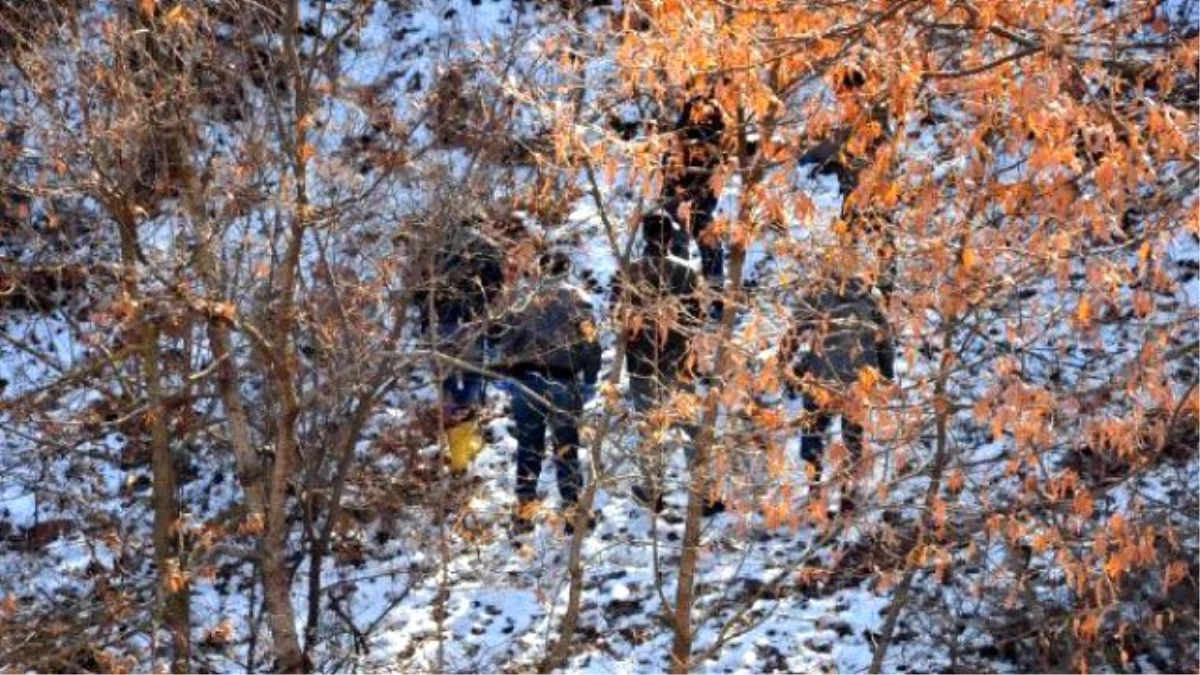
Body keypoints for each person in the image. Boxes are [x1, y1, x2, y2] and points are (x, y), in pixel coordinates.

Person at [616, 212, 724, 516]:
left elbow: (617, 316)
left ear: (645, 237)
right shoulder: (687, 273)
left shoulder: (631, 271)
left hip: (642, 363)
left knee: (650, 427)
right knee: (690, 426)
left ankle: (652, 490)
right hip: (678, 361)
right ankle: (704, 492)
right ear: (670, 238)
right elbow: (699, 315)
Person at [494, 251, 602, 534]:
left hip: (526, 381)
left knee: (528, 447)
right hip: (565, 382)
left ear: (540, 271)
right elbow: (591, 343)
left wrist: (504, 374)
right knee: (566, 447)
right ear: (567, 270)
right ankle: (573, 513)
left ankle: (524, 513)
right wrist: (590, 380)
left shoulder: (523, 299)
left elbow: (504, 339)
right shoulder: (579, 300)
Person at [781, 274, 895, 504]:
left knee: (813, 431)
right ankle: (848, 492)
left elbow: (793, 333)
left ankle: (814, 489)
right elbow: (885, 339)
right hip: (859, 380)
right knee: (852, 436)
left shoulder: (815, 293)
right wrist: (887, 373)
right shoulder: (871, 295)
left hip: (821, 377)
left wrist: (784, 364)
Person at [415, 215, 505, 425]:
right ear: (479, 225)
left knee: (444, 375)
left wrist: (426, 317)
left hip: (437, 321)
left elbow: (417, 289)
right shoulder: (486, 247)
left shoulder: (434, 247)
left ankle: (450, 421)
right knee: (473, 371)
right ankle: (469, 418)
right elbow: (495, 287)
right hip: (470, 320)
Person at [662, 95, 726, 287]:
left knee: (713, 248)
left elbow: (714, 187)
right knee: (675, 247)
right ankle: (675, 295)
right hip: (675, 202)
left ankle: (715, 299)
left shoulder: (714, 148)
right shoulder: (679, 143)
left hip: (700, 204)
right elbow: (669, 173)